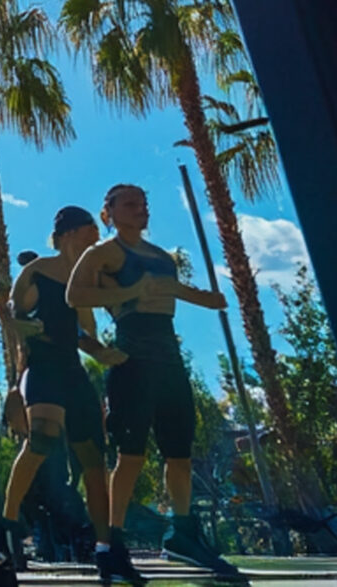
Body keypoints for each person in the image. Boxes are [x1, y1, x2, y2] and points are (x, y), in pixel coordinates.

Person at [66, 184, 236, 581]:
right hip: (132, 358)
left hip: (168, 357)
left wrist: (208, 299)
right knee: (132, 455)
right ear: (109, 211)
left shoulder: (162, 257)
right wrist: (130, 290)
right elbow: (75, 295)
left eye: (144, 203)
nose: (141, 209)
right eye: (130, 204)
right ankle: (111, 544)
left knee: (179, 453)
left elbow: (173, 291)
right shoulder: (103, 253)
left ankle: (183, 533)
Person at [0, 209, 132, 581]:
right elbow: (13, 315)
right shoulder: (37, 271)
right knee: (41, 437)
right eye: (93, 228)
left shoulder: (85, 280)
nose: (98, 235)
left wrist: (104, 353)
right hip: (41, 368)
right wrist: (21, 327)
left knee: (93, 457)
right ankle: (7, 525)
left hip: (73, 372)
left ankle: (107, 548)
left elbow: (84, 334)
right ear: (71, 232)